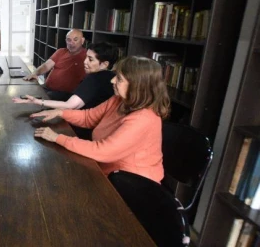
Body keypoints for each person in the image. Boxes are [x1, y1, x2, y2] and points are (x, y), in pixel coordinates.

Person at [33, 56, 170, 183]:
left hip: (132, 183)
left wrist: (57, 138)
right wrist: (60, 112)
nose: (112, 80)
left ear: (138, 85)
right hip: (106, 170)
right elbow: (89, 117)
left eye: (119, 79)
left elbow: (102, 151)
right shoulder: (119, 100)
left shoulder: (143, 118)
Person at [13, 42, 118, 140]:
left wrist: (37, 101)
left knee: (30, 128)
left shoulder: (95, 78)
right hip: (96, 127)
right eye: (86, 57)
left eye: (90, 59)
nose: (85, 61)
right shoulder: (112, 77)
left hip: (82, 130)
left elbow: (71, 105)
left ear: (104, 64)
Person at [23, 29, 87, 101]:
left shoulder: (87, 57)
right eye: (69, 40)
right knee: (26, 93)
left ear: (82, 40)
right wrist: (35, 73)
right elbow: (46, 65)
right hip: (47, 87)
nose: (71, 43)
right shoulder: (61, 51)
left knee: (35, 100)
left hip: (65, 94)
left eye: (75, 40)